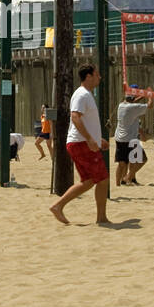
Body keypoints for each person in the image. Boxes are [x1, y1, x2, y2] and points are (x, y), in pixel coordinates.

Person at [49, 64, 110, 225]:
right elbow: (75, 117)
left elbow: (85, 120)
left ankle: (58, 206)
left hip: (81, 142)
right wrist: (90, 139)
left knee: (89, 180)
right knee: (102, 179)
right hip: (81, 143)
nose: (99, 77)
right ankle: (101, 218)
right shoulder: (82, 94)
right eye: (97, 75)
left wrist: (97, 139)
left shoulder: (86, 94)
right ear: (88, 76)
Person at [114, 86, 153, 186]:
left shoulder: (121, 106)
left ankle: (118, 184)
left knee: (122, 163)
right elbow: (150, 105)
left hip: (120, 138)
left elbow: (132, 101)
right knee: (142, 160)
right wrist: (150, 95)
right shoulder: (133, 108)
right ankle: (127, 178)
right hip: (130, 139)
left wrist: (142, 95)